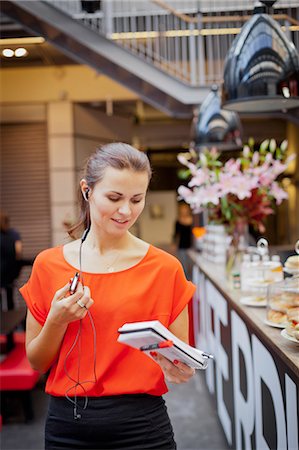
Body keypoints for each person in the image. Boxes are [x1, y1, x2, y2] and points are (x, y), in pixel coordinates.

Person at [20, 143, 196, 450]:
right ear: (87, 191)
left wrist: (178, 368)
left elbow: (179, 361)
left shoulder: (165, 269)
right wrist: (57, 321)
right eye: (114, 198)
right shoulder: (49, 265)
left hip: (143, 428)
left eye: (136, 199)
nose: (126, 211)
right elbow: (37, 361)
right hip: (67, 429)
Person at [0, 210, 22, 310]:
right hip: (10, 271)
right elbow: (18, 250)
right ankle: (13, 322)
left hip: (2, 270)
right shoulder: (14, 233)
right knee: (11, 297)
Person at [173, 202, 193, 279]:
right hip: (181, 246)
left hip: (192, 247)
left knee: (191, 266)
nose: (184, 210)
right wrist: (174, 245)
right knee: (184, 267)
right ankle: (187, 282)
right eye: (182, 209)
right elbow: (176, 235)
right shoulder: (178, 221)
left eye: (185, 209)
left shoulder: (193, 220)